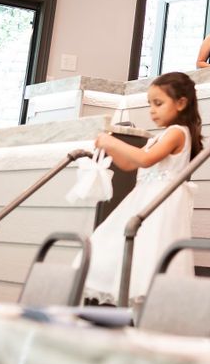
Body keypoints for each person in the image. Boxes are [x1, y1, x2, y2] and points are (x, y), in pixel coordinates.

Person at [82, 72, 203, 304]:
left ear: (181, 103)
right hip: (143, 201)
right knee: (125, 252)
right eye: (150, 104)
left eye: (158, 103)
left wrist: (112, 141)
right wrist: (109, 147)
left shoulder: (178, 133)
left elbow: (146, 160)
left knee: (150, 258)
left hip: (160, 206)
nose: (152, 110)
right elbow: (130, 163)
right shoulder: (159, 137)